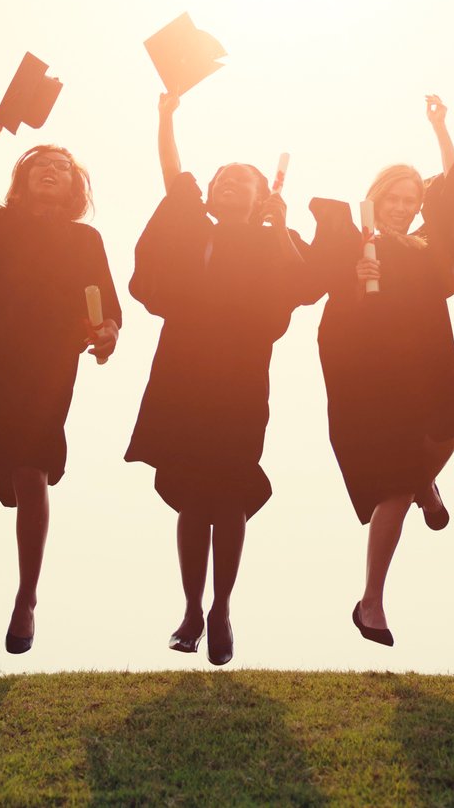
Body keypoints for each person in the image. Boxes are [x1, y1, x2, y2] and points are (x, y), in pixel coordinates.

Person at [124, 92, 317, 666]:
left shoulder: (270, 237)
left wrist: (280, 228)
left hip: (239, 373)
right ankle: (189, 608)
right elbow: (172, 176)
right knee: (190, 493)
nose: (228, 183)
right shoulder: (192, 229)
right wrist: (164, 117)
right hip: (183, 367)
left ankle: (222, 608)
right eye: (222, 178)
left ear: (262, 197)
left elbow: (304, 286)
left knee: (229, 491)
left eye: (243, 180)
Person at [0, 99, 120, 660]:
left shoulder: (84, 240)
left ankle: (27, 599)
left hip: (44, 365)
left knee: (30, 469)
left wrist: (106, 332)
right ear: (21, 178)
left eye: (61, 167)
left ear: (73, 188)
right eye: (39, 162)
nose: (50, 168)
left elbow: (108, 309)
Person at [315, 96, 454, 648]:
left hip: (427, 361)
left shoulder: (426, 245)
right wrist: (354, 272)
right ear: (375, 198)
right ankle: (371, 602)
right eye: (392, 197)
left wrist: (441, 127)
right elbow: (316, 277)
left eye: (410, 199)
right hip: (370, 370)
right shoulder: (353, 239)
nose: (401, 206)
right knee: (392, 485)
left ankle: (425, 482)